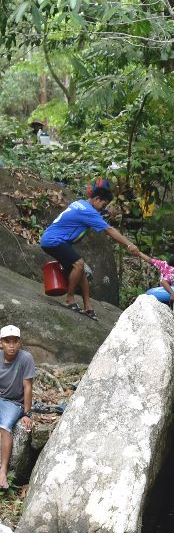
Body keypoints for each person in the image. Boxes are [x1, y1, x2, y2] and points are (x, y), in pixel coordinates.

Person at [38, 184, 144, 319]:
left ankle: (88, 306)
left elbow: (96, 215)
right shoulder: (88, 211)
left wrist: (106, 213)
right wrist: (129, 244)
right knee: (79, 264)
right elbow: (109, 230)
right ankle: (70, 299)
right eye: (103, 205)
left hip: (52, 239)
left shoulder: (80, 203)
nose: (103, 208)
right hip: (54, 241)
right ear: (97, 199)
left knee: (81, 269)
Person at [0, 327, 35, 489]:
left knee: (6, 426)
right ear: (1, 343)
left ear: (19, 343)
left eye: (15, 341)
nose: (11, 345)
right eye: (7, 342)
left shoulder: (25, 358)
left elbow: (27, 387)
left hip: (14, 402)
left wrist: (26, 413)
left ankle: (3, 471)